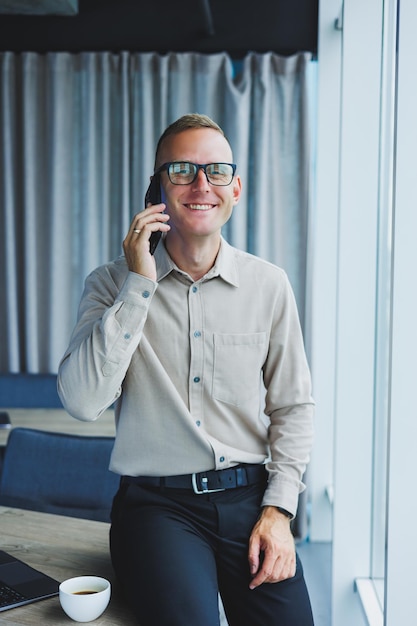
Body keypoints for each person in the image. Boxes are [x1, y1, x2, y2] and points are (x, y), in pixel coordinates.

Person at [57, 113, 315, 626]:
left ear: (235, 189)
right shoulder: (111, 284)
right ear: (156, 188)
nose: (201, 185)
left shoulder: (269, 285)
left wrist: (279, 512)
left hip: (251, 500)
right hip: (157, 508)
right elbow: (83, 403)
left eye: (216, 171)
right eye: (181, 170)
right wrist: (138, 286)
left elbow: (293, 406)